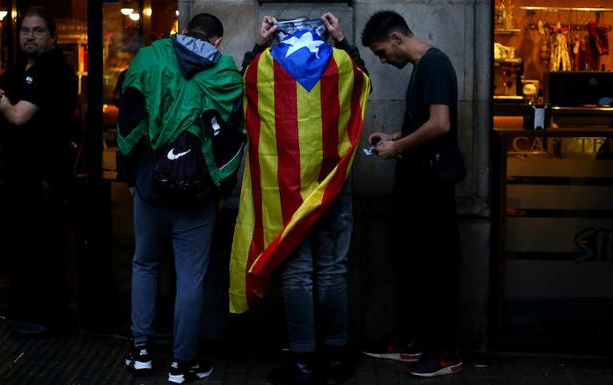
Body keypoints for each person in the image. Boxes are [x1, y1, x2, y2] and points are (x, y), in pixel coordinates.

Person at [230, 13, 370, 385]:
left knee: (297, 275)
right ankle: (337, 359)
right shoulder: (340, 63)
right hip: (333, 186)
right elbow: (363, 82)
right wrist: (343, 41)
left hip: (286, 191)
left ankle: (304, 362)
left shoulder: (264, 67)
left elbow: (242, 85)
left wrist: (260, 44)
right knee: (333, 270)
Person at [117, 13, 243, 384]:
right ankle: (182, 363)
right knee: (191, 278)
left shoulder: (150, 59)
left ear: (183, 32)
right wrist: (221, 190)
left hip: (151, 187)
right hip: (198, 196)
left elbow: (129, 120)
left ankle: (140, 351)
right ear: (217, 40)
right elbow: (233, 138)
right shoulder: (225, 74)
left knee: (145, 264)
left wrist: (130, 177)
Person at [360, 10, 465, 377]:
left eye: (382, 52)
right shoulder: (424, 68)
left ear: (397, 39)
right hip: (418, 184)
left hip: (431, 186)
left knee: (435, 269)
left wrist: (399, 146)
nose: (384, 60)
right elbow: (426, 122)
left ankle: (445, 353)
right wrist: (393, 136)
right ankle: (414, 343)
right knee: (416, 266)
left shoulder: (434, 65)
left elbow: (440, 124)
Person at [0, 6, 76, 336]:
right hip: (18, 174)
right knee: (22, 242)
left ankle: (50, 319)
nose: (29, 35)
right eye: (25, 30)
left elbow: (17, 116)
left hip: (46, 176)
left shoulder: (55, 70)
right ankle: (24, 309)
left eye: (38, 30)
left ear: (52, 37)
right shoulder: (19, 69)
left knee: (46, 245)